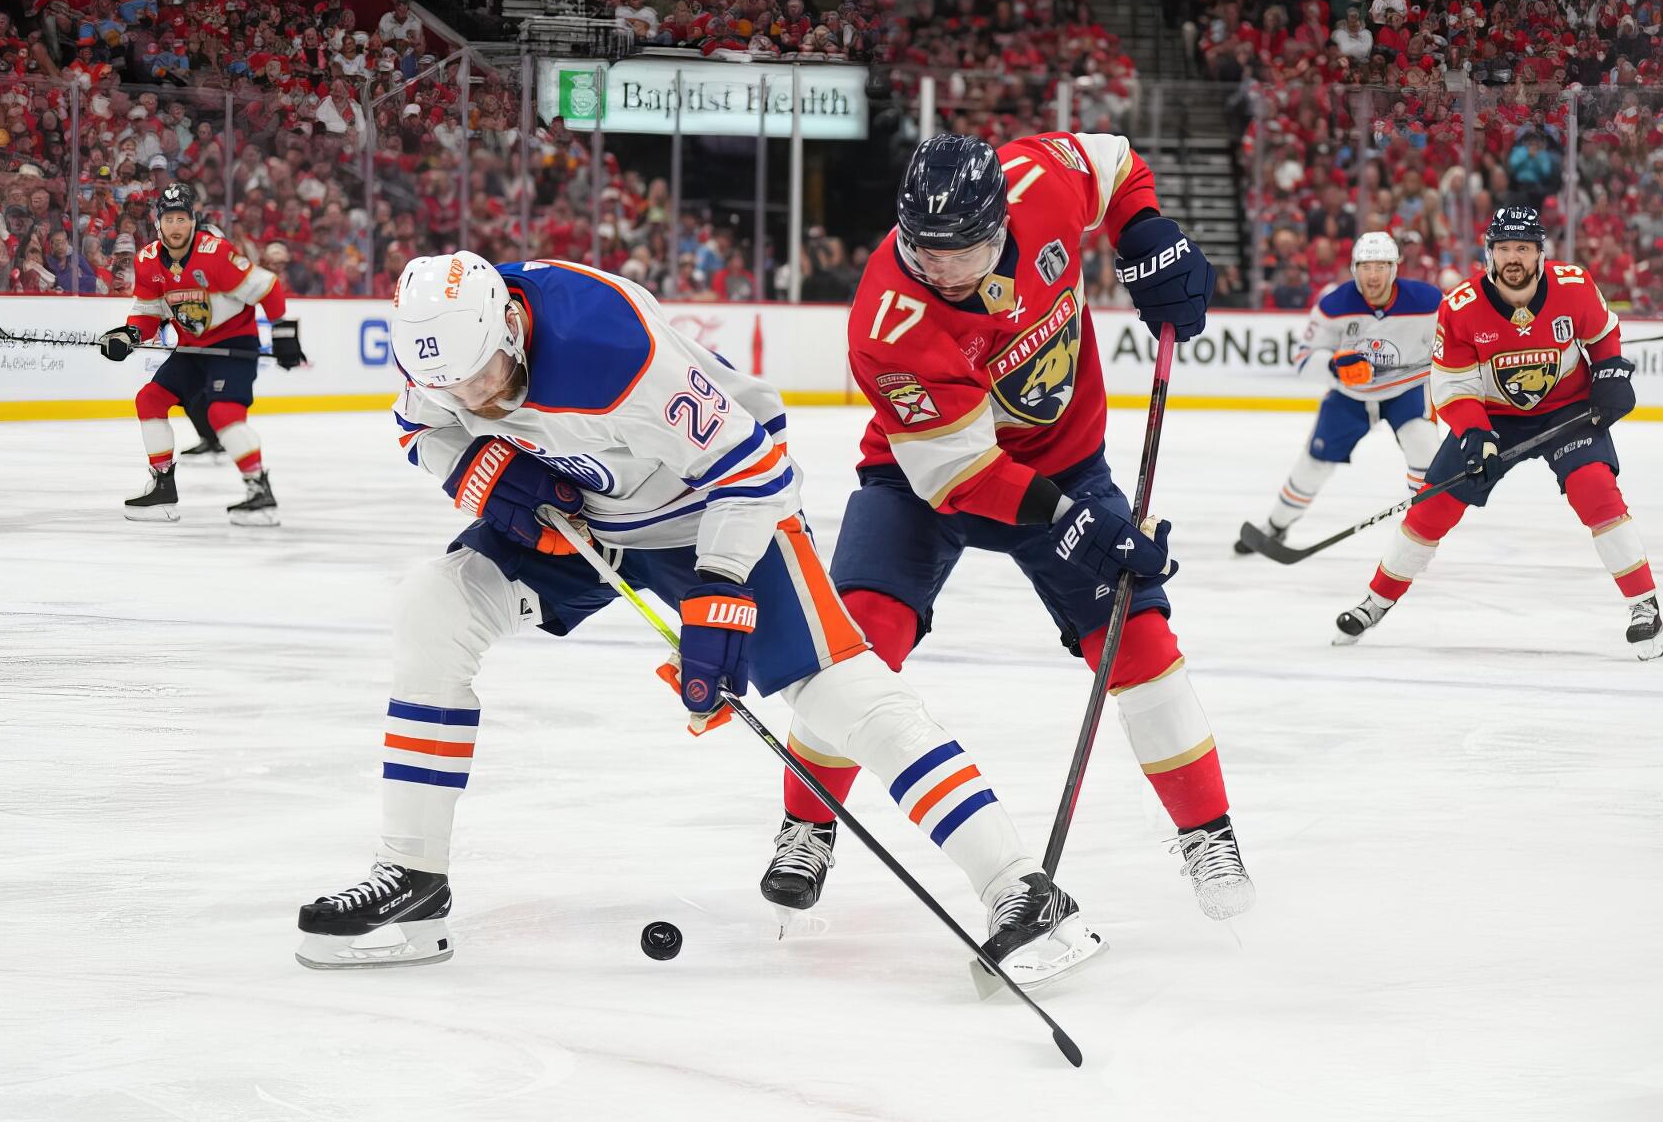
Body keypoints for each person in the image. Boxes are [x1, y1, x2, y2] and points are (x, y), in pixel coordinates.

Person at [295, 253, 1102, 985]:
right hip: (582, 519)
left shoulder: (609, 347)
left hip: (711, 513)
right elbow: (421, 428)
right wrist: (475, 466)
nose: (474, 398)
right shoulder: (442, 352)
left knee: (838, 693)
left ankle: (1020, 890)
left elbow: (754, 463)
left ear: (510, 322)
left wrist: (718, 592)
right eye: (455, 387)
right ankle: (414, 878)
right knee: (432, 605)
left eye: (484, 379)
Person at [757, 133, 1255, 927]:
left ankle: (1209, 834)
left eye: (963, 251)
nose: (943, 270)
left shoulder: (1038, 179)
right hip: (923, 480)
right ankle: (806, 826)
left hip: (1065, 462)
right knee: (856, 646)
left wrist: (1145, 228)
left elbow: (1117, 164)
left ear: (1003, 220)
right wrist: (1074, 519)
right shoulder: (891, 322)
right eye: (924, 252)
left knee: (1142, 642)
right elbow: (960, 475)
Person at [1332, 207, 1662, 659]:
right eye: (1504, 247)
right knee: (1433, 508)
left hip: (1566, 409)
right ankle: (1377, 601)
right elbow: (1454, 385)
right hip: (1493, 419)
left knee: (1595, 489)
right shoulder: (1461, 307)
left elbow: (1603, 332)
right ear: (1489, 253)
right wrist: (1474, 433)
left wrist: (1608, 372)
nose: (1513, 257)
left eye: (1523, 248)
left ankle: (1644, 604)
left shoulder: (1574, 286)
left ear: (1539, 254)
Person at [94, 184, 306, 524]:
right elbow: (148, 313)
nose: (176, 226)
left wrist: (282, 332)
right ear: (159, 223)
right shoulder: (148, 261)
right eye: (169, 219)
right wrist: (129, 333)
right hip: (192, 349)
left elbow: (268, 286)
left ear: (192, 222)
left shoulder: (216, 254)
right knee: (149, 398)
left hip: (233, 346)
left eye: (182, 219)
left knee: (223, 415)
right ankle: (163, 487)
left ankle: (259, 493)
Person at [1237, 231, 1440, 553]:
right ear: (1354, 268)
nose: (1373, 275)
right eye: (1365, 267)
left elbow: (1455, 343)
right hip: (1350, 396)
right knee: (1314, 463)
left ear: (1395, 269)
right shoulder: (1333, 306)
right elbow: (1303, 359)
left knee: (1427, 454)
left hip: (1406, 391)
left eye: (1381, 267)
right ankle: (1276, 526)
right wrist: (1334, 366)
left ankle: (1422, 531)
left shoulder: (1429, 303)